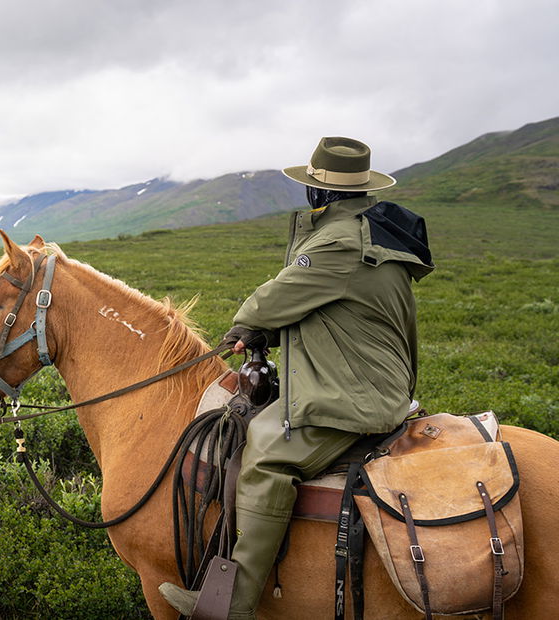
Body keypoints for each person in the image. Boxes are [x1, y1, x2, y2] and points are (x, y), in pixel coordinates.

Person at [159, 136, 434, 618]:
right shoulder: (374, 236)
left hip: (355, 396)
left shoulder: (338, 241)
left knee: (267, 456)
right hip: (373, 380)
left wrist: (249, 323)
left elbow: (277, 296)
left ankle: (233, 604)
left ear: (320, 193)